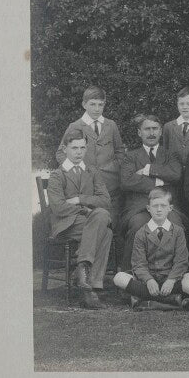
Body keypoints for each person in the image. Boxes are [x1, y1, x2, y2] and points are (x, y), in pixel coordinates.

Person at [48, 129, 113, 309]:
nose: (78, 152)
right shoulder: (57, 175)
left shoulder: (92, 172)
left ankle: (85, 278)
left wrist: (79, 199)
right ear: (65, 149)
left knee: (103, 223)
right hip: (67, 224)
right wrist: (86, 210)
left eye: (82, 148)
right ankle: (92, 286)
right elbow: (59, 207)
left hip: (89, 221)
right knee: (103, 225)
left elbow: (105, 201)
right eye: (74, 147)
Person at [120, 115, 186, 270]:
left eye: (155, 129)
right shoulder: (130, 156)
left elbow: (175, 175)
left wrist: (148, 170)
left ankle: (177, 273)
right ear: (139, 133)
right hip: (139, 207)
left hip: (167, 206)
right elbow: (126, 181)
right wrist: (160, 182)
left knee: (176, 225)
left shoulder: (171, 154)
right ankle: (128, 273)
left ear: (161, 131)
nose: (151, 133)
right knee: (138, 226)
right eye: (147, 129)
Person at [55, 85, 124, 233]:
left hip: (111, 187)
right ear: (84, 104)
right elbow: (61, 153)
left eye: (101, 105)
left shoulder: (111, 125)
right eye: (92, 104)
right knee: (94, 227)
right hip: (87, 188)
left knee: (113, 228)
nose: (97, 109)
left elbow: (120, 152)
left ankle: (110, 255)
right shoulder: (75, 126)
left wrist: (114, 168)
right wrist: (79, 171)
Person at [112, 187, 189, 310]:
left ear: (170, 208)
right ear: (148, 209)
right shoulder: (141, 233)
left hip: (169, 279)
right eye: (155, 206)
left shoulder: (178, 231)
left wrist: (171, 280)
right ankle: (169, 300)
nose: (159, 210)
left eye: (163, 206)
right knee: (119, 277)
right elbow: (138, 263)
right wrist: (148, 280)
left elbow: (181, 261)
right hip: (148, 280)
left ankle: (144, 300)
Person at [161, 86, 189, 211]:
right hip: (175, 175)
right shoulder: (169, 127)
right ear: (177, 105)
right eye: (181, 104)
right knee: (177, 204)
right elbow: (166, 149)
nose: (185, 107)